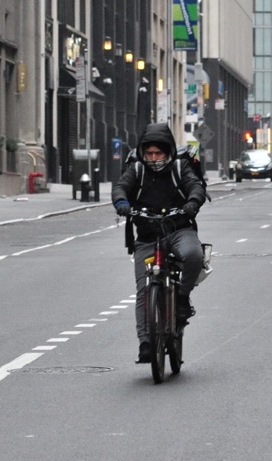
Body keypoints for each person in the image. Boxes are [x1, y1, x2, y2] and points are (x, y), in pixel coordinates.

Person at [112, 122, 207, 364]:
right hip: (146, 236)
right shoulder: (137, 170)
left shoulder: (180, 167)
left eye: (158, 153)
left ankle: (182, 298)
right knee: (144, 288)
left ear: (168, 152)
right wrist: (122, 203)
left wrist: (192, 203)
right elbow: (121, 187)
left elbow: (195, 186)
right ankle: (145, 343)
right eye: (149, 153)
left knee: (193, 255)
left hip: (178, 228)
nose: (153, 158)